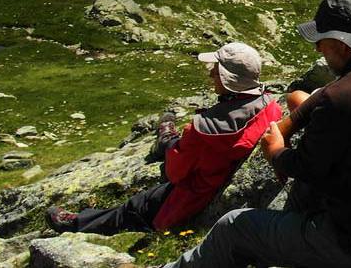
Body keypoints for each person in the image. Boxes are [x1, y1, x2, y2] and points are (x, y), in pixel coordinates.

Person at [157, 0, 351, 268]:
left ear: (342, 45)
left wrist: (276, 151)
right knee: (304, 194)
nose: (317, 47)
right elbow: (330, 92)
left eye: (320, 40)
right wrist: (290, 122)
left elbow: (304, 167)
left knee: (233, 225)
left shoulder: (344, 99)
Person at [46, 42, 282, 235]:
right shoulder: (270, 106)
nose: (211, 73)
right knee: (163, 163)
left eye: (217, 70)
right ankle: (166, 138)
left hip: (189, 197)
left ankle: (76, 224)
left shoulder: (203, 130)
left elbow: (175, 172)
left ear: (228, 79)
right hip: (213, 178)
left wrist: (180, 143)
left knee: (136, 206)